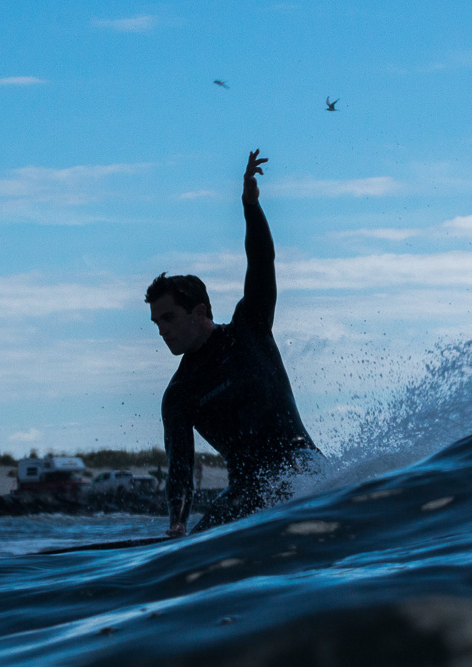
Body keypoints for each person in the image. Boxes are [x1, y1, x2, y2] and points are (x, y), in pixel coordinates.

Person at [146, 150, 321, 537]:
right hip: (247, 490)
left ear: (200, 312)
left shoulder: (249, 328)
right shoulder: (179, 395)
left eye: (169, 318)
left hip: (301, 468)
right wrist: (177, 522)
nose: (162, 330)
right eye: (157, 323)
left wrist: (251, 208)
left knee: (294, 477)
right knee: (198, 539)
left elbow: (262, 262)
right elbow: (180, 469)